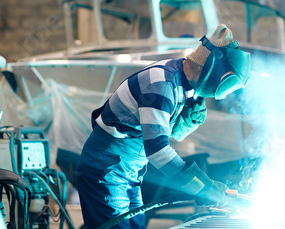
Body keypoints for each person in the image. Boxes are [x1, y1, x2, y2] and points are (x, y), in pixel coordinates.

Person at [76, 24, 250, 229]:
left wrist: (185, 121)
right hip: (106, 170)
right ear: (211, 68)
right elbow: (158, 150)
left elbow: (167, 133)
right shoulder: (161, 85)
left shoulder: (184, 85)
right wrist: (203, 187)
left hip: (129, 171)